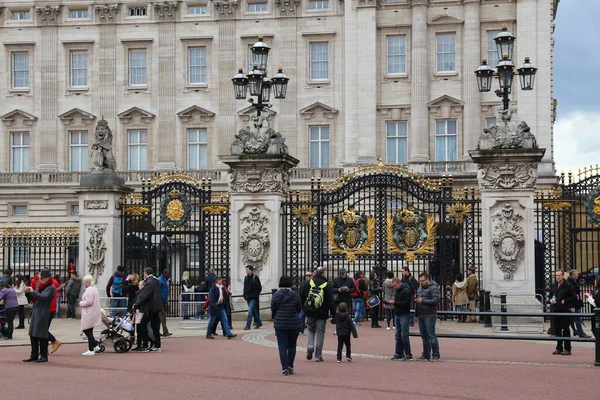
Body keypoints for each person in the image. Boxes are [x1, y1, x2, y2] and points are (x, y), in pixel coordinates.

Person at [300, 266, 336, 362]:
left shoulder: (308, 283)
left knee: (311, 330)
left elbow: (301, 296)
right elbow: (331, 301)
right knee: (320, 333)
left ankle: (310, 346)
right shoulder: (326, 285)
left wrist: (304, 308)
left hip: (310, 311)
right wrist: (334, 314)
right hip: (322, 312)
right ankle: (318, 355)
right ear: (323, 273)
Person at [271, 275, 302, 375]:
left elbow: (273, 308)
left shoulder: (276, 295)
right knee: (292, 345)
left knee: (282, 346)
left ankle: (284, 367)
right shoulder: (295, 294)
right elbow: (299, 308)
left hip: (280, 323)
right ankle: (290, 366)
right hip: (294, 323)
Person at [22, 269, 55, 363]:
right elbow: (35, 297)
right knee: (33, 333)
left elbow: (42, 297)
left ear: (47, 278)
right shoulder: (42, 286)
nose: (40, 280)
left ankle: (44, 355)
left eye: (42, 278)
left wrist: (33, 291)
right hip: (36, 310)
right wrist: (28, 292)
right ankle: (34, 355)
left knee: (41, 334)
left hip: (42, 312)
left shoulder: (50, 288)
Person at [132, 267, 162, 352]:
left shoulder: (149, 282)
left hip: (150, 308)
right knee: (155, 327)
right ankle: (157, 345)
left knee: (142, 324)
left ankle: (146, 344)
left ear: (146, 273)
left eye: (144, 273)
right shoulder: (156, 281)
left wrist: (136, 304)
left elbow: (145, 295)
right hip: (156, 307)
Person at [549, 270, 576, 355]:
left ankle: (567, 348)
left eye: (559, 275)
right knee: (557, 330)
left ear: (563, 276)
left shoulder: (568, 286)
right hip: (556, 310)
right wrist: (550, 300)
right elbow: (550, 295)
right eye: (556, 275)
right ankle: (559, 347)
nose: (557, 277)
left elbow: (574, 297)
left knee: (566, 330)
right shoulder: (554, 285)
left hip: (564, 310)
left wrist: (565, 301)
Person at [416, 272, 440, 361]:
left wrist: (423, 301)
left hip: (430, 314)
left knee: (431, 335)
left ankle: (435, 354)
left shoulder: (433, 287)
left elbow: (436, 301)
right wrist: (416, 314)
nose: (421, 283)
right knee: (424, 336)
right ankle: (426, 354)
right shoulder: (420, 288)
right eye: (420, 281)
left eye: (422, 281)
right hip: (422, 314)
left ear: (427, 279)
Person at [389, 277, 412, 361]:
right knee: (397, 335)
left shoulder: (406, 290)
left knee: (404, 335)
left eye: (395, 285)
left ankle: (408, 353)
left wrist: (394, 302)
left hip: (404, 314)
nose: (395, 287)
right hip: (398, 313)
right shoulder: (397, 290)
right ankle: (399, 353)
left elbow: (406, 303)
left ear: (399, 283)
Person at [79, 275, 102, 356]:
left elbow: (89, 301)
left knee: (87, 330)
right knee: (89, 331)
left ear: (87, 282)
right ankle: (95, 346)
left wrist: (81, 303)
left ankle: (91, 349)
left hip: (89, 312)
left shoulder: (89, 289)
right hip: (93, 311)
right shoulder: (94, 288)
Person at [567, 270, 591, 338]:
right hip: (573, 304)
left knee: (571, 319)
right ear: (573, 275)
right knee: (576, 318)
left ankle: (574, 331)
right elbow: (570, 295)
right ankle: (580, 332)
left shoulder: (573, 281)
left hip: (576, 303)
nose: (578, 275)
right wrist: (572, 305)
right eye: (577, 274)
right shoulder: (569, 283)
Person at [243, 266, 263, 330]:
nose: (246, 271)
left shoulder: (255, 278)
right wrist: (244, 294)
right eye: (246, 269)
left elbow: (259, 288)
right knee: (253, 311)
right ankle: (259, 322)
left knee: (250, 311)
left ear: (251, 270)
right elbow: (245, 287)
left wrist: (255, 295)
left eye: (247, 269)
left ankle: (248, 325)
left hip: (253, 298)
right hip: (248, 297)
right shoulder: (246, 278)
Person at [158, 269, 172, 337]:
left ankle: (158, 331)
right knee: (163, 317)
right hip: (160, 301)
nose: (169, 275)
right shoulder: (160, 280)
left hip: (163, 300)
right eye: (168, 274)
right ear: (164, 274)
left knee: (159, 317)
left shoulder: (164, 280)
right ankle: (165, 331)